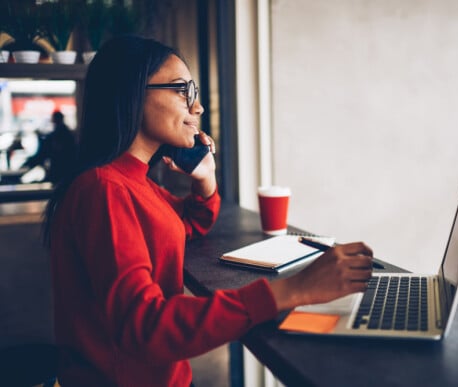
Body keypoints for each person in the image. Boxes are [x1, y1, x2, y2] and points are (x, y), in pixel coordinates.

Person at [43, 35, 373, 387]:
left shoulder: (130, 180)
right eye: (182, 90)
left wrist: (205, 179)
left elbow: (184, 224)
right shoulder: (104, 190)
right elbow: (144, 326)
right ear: (134, 93)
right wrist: (292, 291)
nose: (196, 107)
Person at [22, 110, 77, 183]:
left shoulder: (56, 135)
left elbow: (45, 152)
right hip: (66, 169)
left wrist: (29, 163)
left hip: (58, 169)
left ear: (54, 119)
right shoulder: (67, 133)